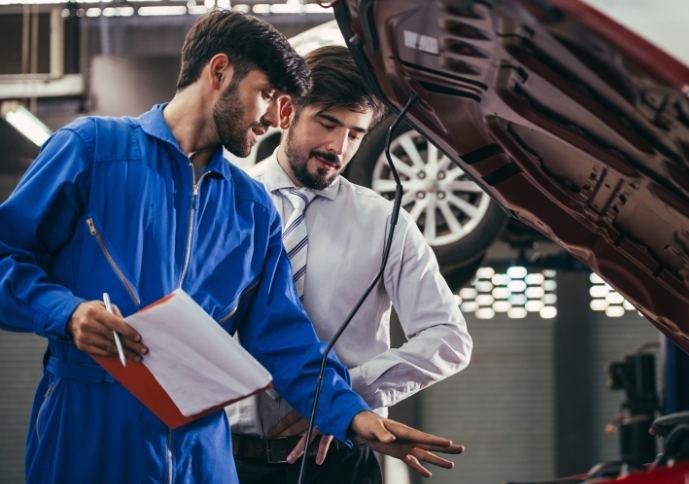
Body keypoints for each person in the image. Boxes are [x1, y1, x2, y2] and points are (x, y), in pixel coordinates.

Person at [0, 11, 461, 484]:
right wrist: (67, 314)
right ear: (219, 72)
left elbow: (284, 338)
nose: (275, 117)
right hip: (88, 432)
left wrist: (352, 416)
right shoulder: (92, 149)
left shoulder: (251, 207)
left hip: (202, 452)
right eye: (267, 94)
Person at [226, 46, 473, 484]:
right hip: (229, 461)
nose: (338, 148)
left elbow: (449, 338)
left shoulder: (385, 222)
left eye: (356, 134)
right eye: (327, 123)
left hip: (338, 463)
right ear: (287, 111)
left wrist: (341, 399)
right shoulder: (226, 202)